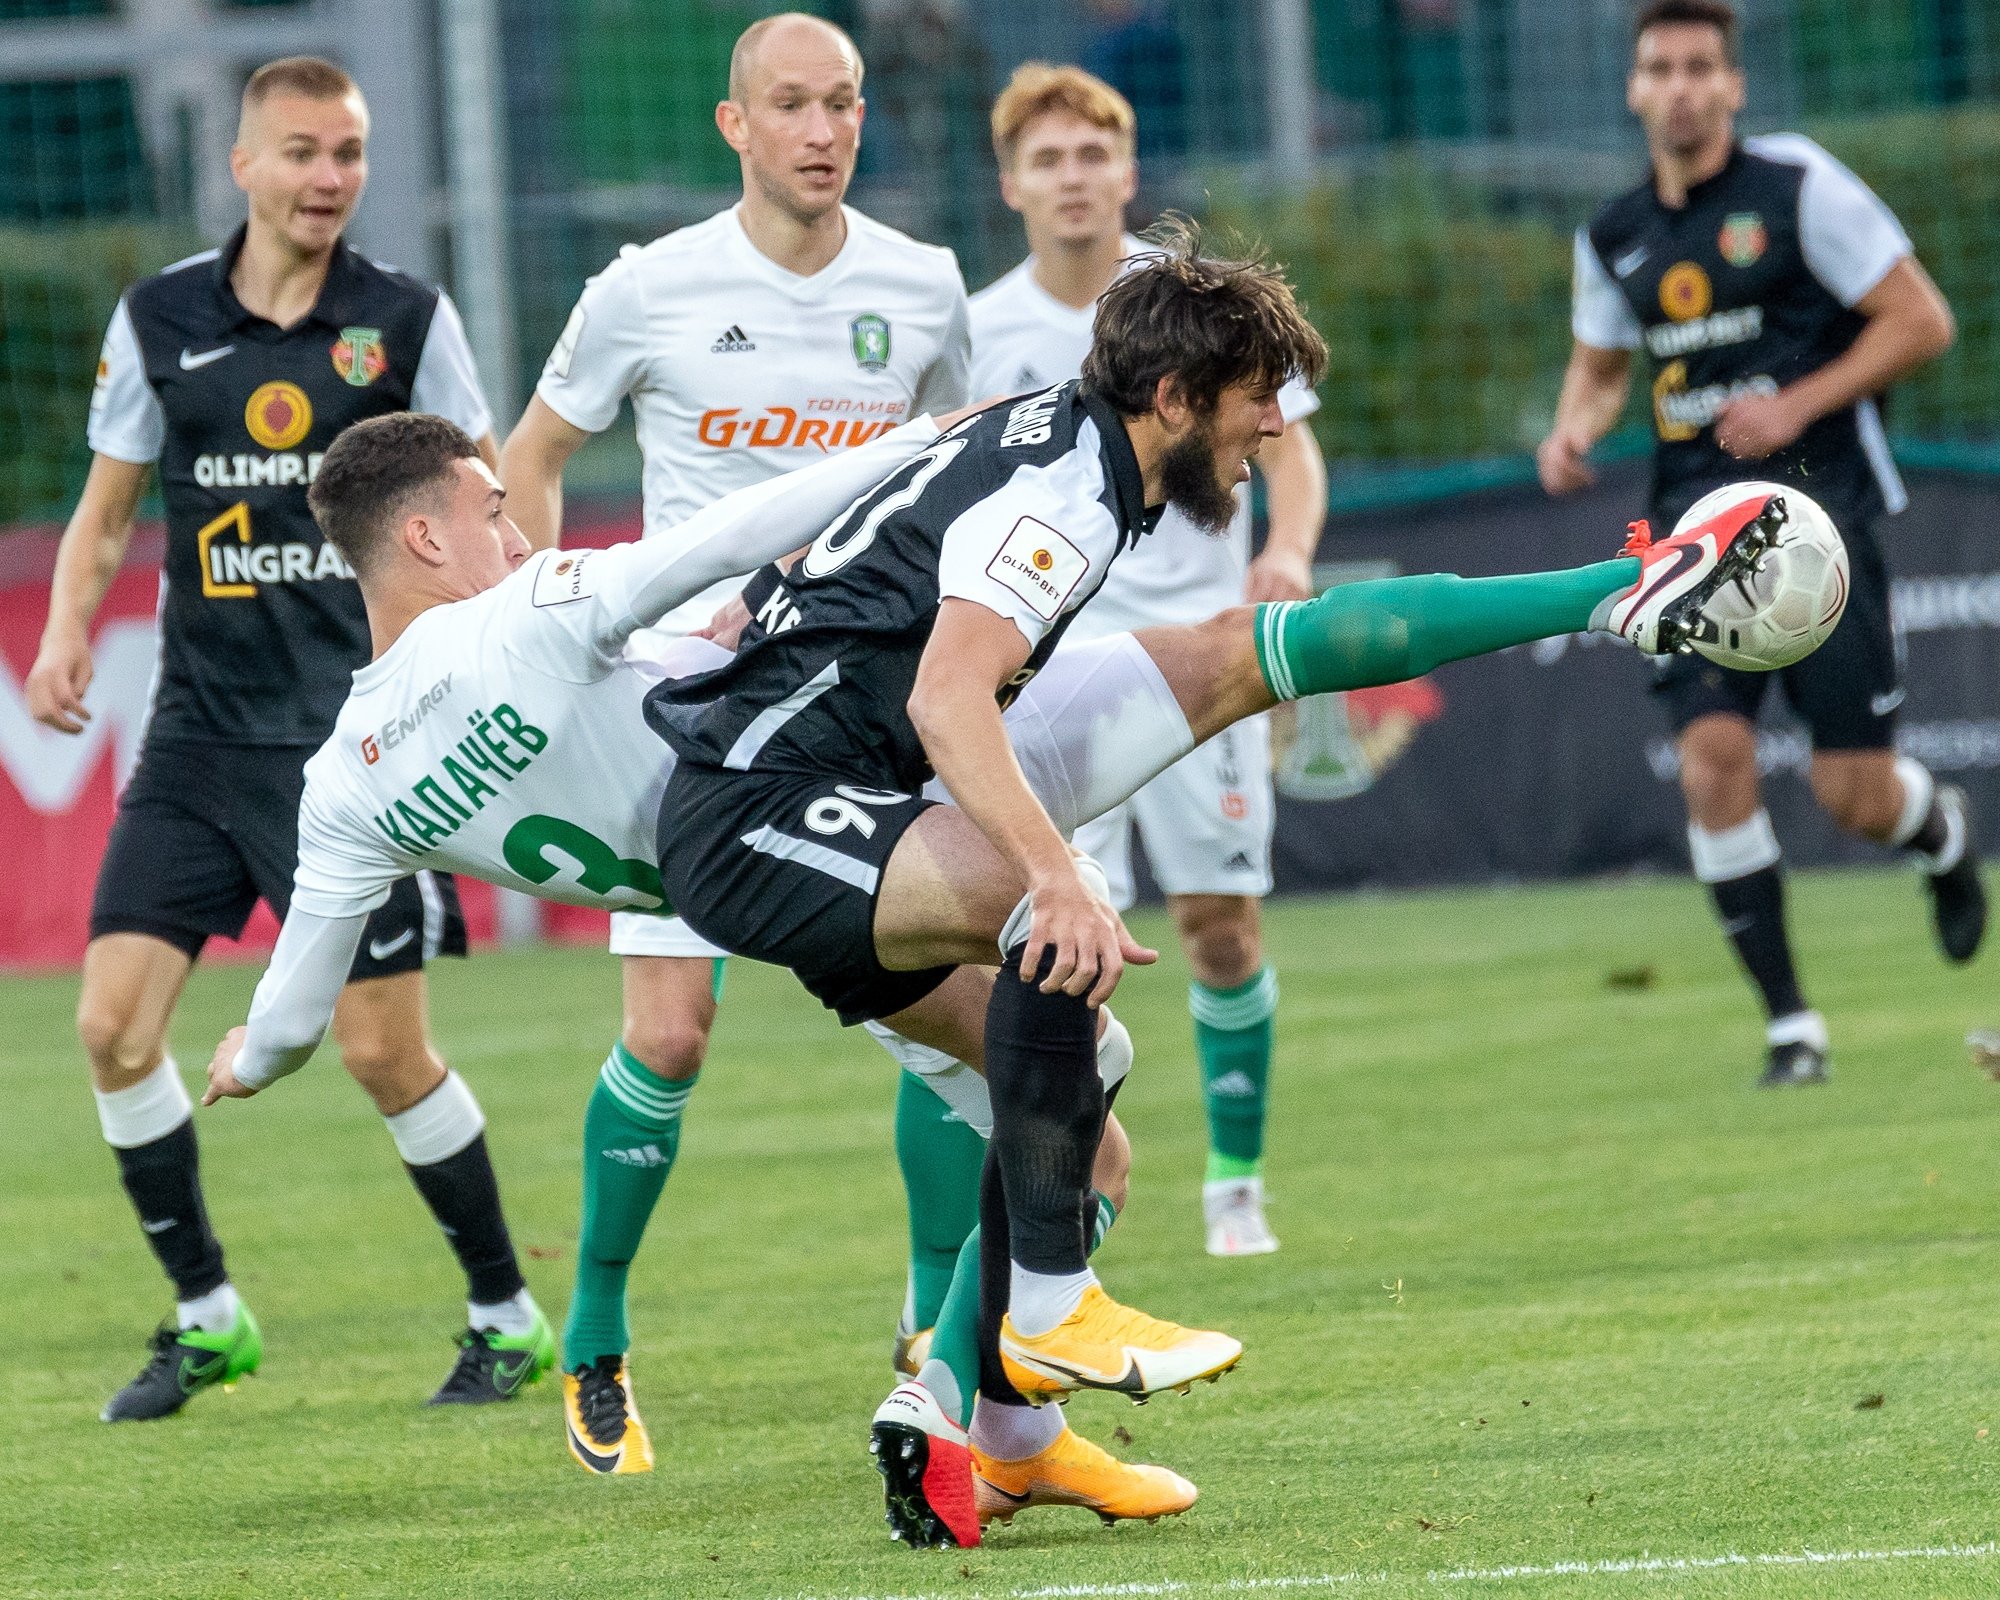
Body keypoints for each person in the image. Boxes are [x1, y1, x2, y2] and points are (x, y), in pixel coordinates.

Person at [203, 384, 1763, 1541]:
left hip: (800, 870)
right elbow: (711, 544)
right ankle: (980, 1372)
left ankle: (997, 1430)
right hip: (833, 808)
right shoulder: (522, 617)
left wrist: (236, 1072)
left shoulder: (345, 778)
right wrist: (913, 449)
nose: (519, 528)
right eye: (491, 508)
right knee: (1084, 905)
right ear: (426, 534)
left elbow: (286, 1010)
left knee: (1095, 1127)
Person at [642, 225, 1778, 1545]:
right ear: (1173, 398)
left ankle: (971, 1421)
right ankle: (1055, 1307)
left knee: (1091, 1111)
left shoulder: (1055, 435)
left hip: (840, 799)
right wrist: (1056, 873)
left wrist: (776, 591)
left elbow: (899, 499)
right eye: (1253, 411)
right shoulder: (1064, 497)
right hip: (756, 813)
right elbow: (953, 697)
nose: (1266, 439)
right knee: (1043, 925)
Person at [23, 57, 546, 1422]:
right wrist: (69, 631)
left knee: (382, 1053)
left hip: (358, 753)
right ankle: (207, 1316)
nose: (330, 178)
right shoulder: (159, 321)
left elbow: (488, 503)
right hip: (195, 740)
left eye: (351, 154)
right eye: (304, 152)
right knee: (112, 1027)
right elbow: (107, 508)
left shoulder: (405, 322)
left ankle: (508, 1314)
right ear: (244, 166)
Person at [496, 11, 981, 1464]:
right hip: (686, 711)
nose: (825, 131)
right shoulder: (648, 290)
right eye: (794, 105)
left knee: (943, 1024)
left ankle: (925, 1329)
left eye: (843, 104)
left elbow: (961, 474)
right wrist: (552, 629)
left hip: (861, 708)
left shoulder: (925, 282)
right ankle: (592, 1341)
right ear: (735, 126)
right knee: (670, 1029)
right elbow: (531, 458)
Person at [1537, 0, 1981, 1087]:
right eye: (1660, 68)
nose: (1680, 86)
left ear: (1733, 85)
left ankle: (1938, 836)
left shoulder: (1796, 190)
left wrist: (1794, 406)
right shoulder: (1613, 233)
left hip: (1819, 520)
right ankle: (1790, 1025)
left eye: (1700, 67)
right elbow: (1600, 365)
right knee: (1712, 760)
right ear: (1634, 89)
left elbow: (1919, 319)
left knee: (1851, 795)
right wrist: (1571, 426)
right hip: (1691, 528)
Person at [969, 63, 1327, 1256]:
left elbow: (1288, 451)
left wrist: (1285, 554)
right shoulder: (979, 328)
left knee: (1222, 926)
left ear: (1125, 172)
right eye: (1047, 160)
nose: (1072, 178)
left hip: (1199, 666)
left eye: (1091, 156)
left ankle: (1236, 1183)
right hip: (1058, 677)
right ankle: (1058, 1212)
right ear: (1011, 185)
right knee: (1055, 946)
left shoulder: (1189, 302)